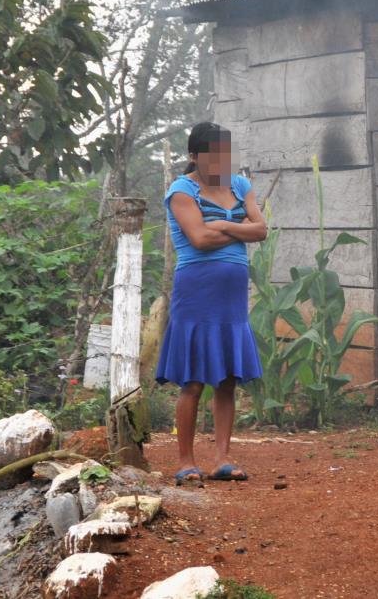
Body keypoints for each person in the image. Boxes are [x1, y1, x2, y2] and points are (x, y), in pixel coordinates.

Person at [155, 122, 267, 485]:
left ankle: (222, 458)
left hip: (231, 297)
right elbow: (199, 240)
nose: (222, 160)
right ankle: (186, 461)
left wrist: (220, 223)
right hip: (196, 292)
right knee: (193, 380)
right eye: (214, 154)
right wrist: (236, 227)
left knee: (227, 379)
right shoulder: (181, 190)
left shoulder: (239, 185)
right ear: (193, 156)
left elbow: (262, 230)